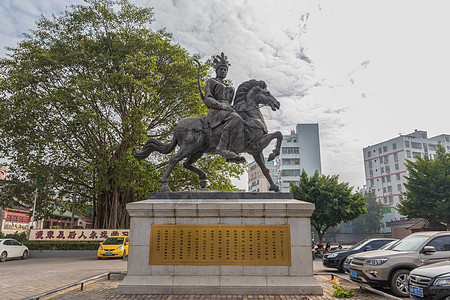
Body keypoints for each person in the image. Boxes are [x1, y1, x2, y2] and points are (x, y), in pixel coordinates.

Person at [203, 52, 245, 162]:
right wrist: (221, 105)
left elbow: (231, 102)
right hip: (217, 110)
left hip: (228, 110)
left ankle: (233, 148)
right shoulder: (211, 81)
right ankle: (221, 148)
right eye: (221, 69)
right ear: (216, 70)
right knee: (237, 118)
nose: (223, 71)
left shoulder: (231, 87)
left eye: (225, 70)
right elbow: (207, 98)